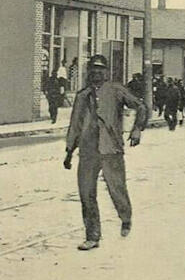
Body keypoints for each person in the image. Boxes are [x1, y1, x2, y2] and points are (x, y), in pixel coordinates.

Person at [63, 54, 146, 250]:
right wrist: (68, 151)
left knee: (117, 189)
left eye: (100, 69)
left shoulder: (116, 90)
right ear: (89, 71)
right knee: (86, 193)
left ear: (106, 71)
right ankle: (92, 236)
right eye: (93, 69)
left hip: (111, 149)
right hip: (88, 151)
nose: (96, 72)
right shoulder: (82, 95)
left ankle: (126, 217)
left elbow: (141, 106)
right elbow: (75, 124)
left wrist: (137, 128)